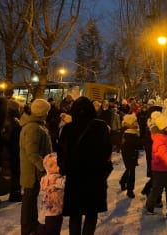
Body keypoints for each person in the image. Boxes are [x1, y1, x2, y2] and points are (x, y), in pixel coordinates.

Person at [57, 96, 112, 235]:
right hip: (95, 177)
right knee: (91, 213)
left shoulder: (68, 129)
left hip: (75, 178)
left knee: (75, 214)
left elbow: (61, 154)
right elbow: (107, 151)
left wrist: (64, 168)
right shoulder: (100, 127)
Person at [19, 99, 53, 235]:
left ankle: (31, 224)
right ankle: (27, 228)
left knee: (31, 198)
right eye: (47, 111)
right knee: (29, 199)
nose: (48, 114)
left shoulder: (36, 126)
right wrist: (44, 167)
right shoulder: (33, 128)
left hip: (33, 171)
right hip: (31, 172)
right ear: (42, 112)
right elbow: (32, 153)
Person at [37, 152, 65, 235]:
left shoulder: (44, 179)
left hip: (44, 211)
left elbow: (42, 190)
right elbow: (64, 184)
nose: (58, 166)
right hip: (55, 211)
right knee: (54, 230)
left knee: (44, 229)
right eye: (56, 165)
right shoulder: (58, 179)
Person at [119, 113, 140, 198]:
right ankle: (130, 190)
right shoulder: (128, 133)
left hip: (132, 154)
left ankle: (123, 181)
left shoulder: (133, 132)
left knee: (129, 169)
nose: (136, 123)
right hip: (129, 154)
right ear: (130, 123)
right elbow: (136, 143)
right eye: (135, 122)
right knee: (131, 172)